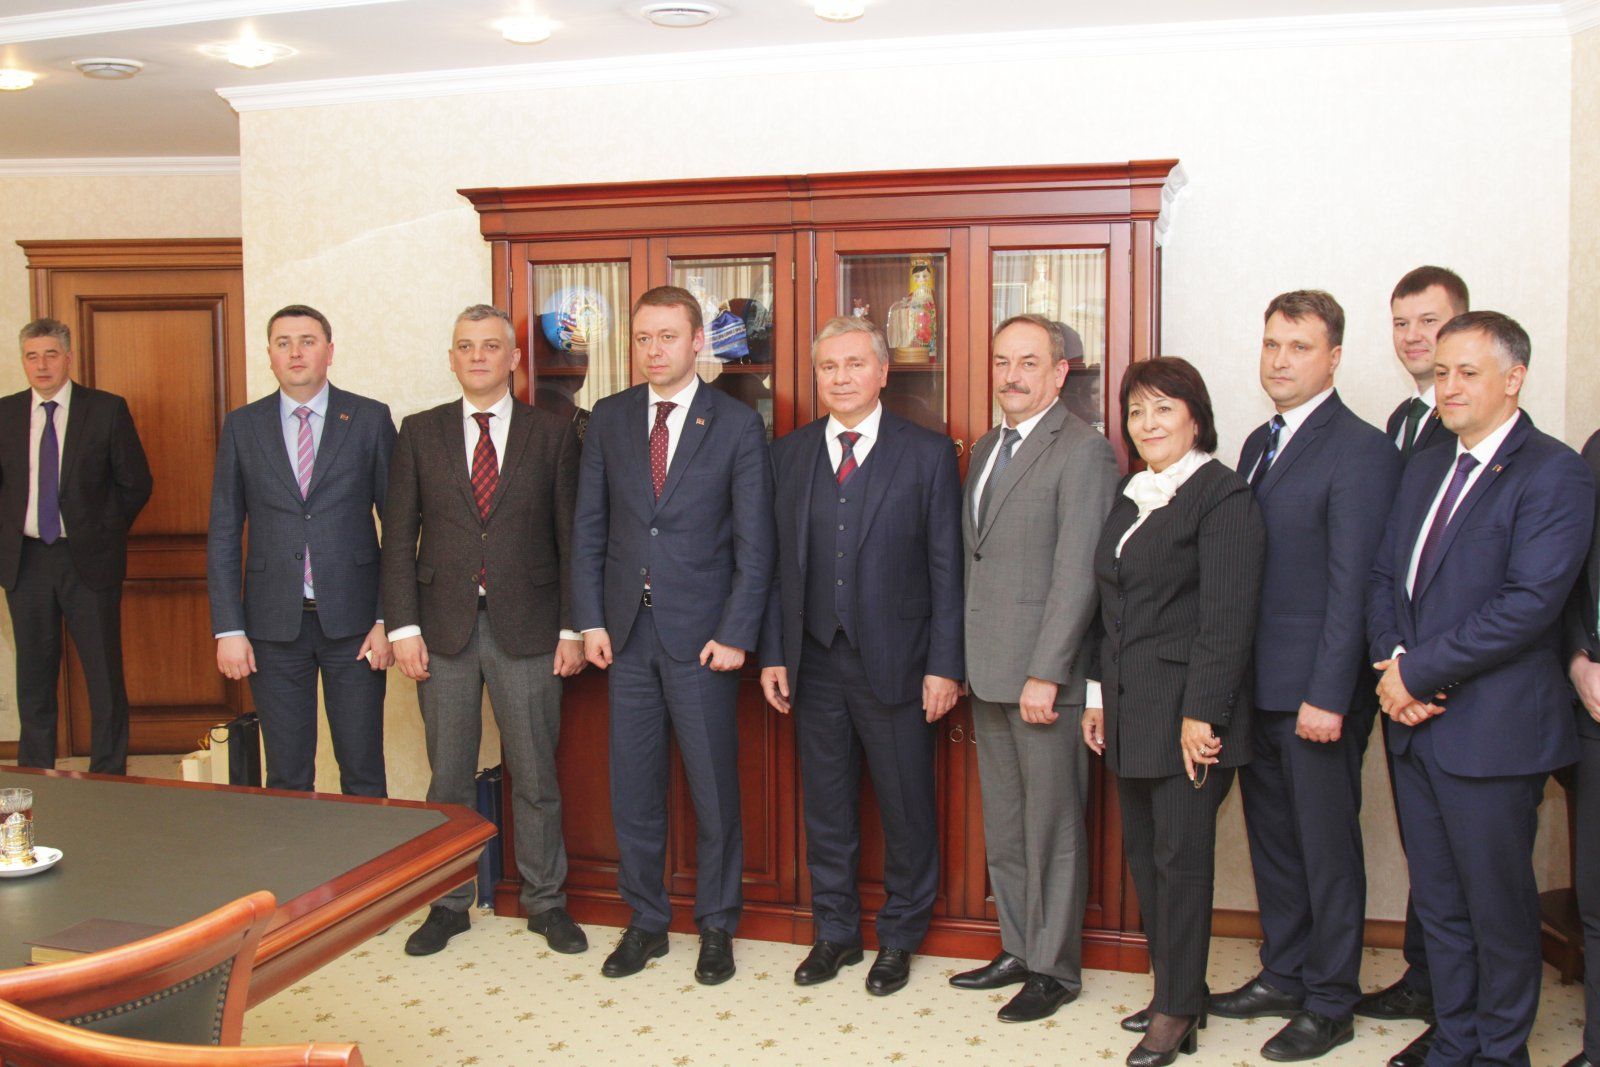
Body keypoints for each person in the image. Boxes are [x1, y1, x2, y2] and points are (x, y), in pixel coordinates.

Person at [1367, 311, 1593, 1067]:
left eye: (1468, 372)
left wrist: (1418, 672)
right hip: (1413, 725)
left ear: (1514, 378)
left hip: (1494, 732)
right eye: (1442, 373)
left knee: (1496, 908)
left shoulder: (1554, 472)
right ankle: (1455, 1037)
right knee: (1440, 905)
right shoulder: (1428, 463)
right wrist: (1392, 662)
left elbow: (1529, 605)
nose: (1450, 386)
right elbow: (1385, 575)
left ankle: (1499, 1050)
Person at [1210, 292, 1400, 1061]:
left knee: (1326, 850)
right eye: (1271, 344)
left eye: (1299, 346)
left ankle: (1330, 999)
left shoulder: (1360, 450)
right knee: (1276, 843)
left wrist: (1328, 692)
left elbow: (1353, 583)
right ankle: (1284, 972)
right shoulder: (1259, 442)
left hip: (1318, 694)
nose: (1280, 359)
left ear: (1335, 357)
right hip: (1258, 686)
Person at [572, 285, 775, 986]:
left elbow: (756, 543)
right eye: (642, 337)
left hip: (704, 641)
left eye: (667, 336)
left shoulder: (736, 424)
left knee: (714, 790)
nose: (653, 350)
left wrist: (737, 632)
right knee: (634, 788)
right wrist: (590, 619)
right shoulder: (609, 417)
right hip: (626, 635)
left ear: (697, 342)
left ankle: (716, 924)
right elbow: (589, 527)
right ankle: (646, 921)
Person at [757, 316, 963, 997]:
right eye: (829, 366)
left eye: (854, 364)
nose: (841, 377)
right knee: (827, 808)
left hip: (900, 664)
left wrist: (945, 664)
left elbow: (947, 569)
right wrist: (773, 653)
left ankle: (899, 936)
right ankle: (836, 932)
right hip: (813, 662)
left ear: (882, 372)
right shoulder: (787, 455)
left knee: (906, 808)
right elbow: (773, 568)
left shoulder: (927, 454)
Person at [381, 305, 587, 957]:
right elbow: (398, 538)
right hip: (441, 630)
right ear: (451, 358)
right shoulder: (419, 432)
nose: (478, 356)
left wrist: (573, 628)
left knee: (535, 774)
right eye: (465, 346)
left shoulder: (552, 434)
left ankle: (546, 902)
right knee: (448, 777)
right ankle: (448, 904)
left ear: (514, 358)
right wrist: (403, 626)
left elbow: (573, 538)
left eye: (491, 346)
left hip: (530, 627)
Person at [1082, 356, 1263, 1067]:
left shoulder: (1223, 496)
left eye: (1163, 408)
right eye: (1136, 411)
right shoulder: (1133, 493)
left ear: (1195, 416)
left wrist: (1203, 715)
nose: (1147, 423)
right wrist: (1097, 696)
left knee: (1181, 864)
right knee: (1147, 860)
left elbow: (1228, 619)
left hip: (1189, 718)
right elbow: (1108, 606)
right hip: (1130, 710)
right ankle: (1176, 989)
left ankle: (1178, 1008)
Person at [947, 314, 1116, 1021]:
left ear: (1059, 372)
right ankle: (1018, 947)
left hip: (1044, 679)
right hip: (989, 670)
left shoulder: (1085, 451)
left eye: (1028, 362)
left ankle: (1055, 968)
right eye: (1002, 361)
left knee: (1052, 829)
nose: (1011, 375)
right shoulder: (988, 446)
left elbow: (1078, 574)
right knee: (1008, 825)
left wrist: (1048, 672)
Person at [207, 305, 395, 797]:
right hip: (271, 627)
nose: (295, 352)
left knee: (362, 769)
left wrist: (386, 619)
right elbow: (224, 531)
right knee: (287, 775)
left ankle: (367, 853)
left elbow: (398, 528)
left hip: (356, 626)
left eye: (307, 341)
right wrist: (229, 628)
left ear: (329, 352)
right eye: (283, 342)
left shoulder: (369, 418)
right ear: (269, 354)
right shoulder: (242, 426)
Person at [1365, 265, 1467, 1067]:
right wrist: (1389, 660)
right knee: (1425, 847)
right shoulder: (1402, 419)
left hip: (1455, 681)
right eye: (1401, 322)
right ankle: (1425, 977)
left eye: (1428, 321)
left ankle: (1462, 1011)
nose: (1412, 337)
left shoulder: (1473, 429)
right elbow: (1390, 556)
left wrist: (1423, 668)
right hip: (1396, 669)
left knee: (1464, 861)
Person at [1, 317, 151, 774]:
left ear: (68, 357)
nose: (41, 365)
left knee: (103, 676)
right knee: (34, 677)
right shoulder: (5, 413)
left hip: (88, 560)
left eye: (50, 354)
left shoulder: (105, 410)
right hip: (26, 562)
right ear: (23, 361)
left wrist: (101, 531)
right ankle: (36, 774)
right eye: (32, 356)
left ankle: (109, 774)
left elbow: (136, 483)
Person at [1563, 427, 1600, 1067]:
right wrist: (1576, 660)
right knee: (1596, 899)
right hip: (1594, 706)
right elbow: (1573, 576)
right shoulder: (1596, 450)